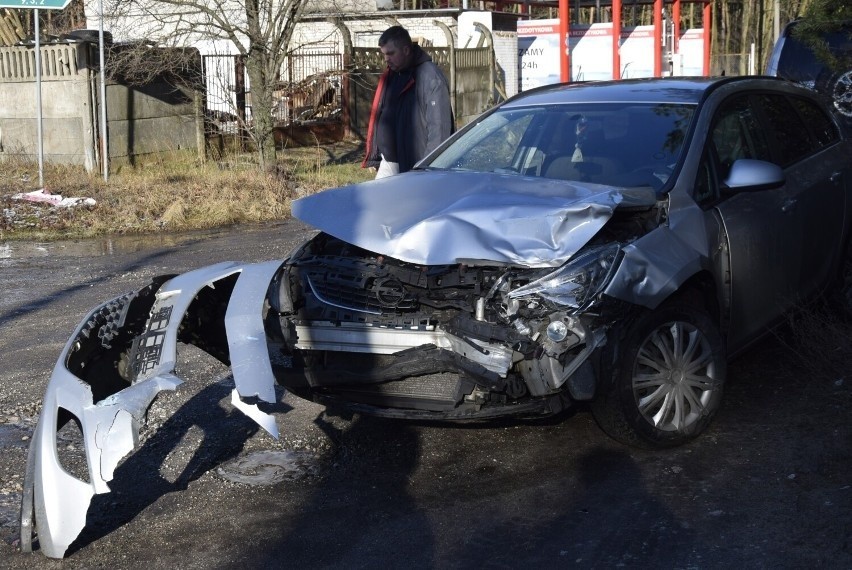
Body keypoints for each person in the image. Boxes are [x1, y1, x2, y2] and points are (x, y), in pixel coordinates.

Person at [362, 26, 454, 179]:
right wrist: (377, 155)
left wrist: (427, 168)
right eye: (384, 54)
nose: (386, 59)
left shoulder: (430, 77)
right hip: (390, 162)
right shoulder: (392, 75)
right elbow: (381, 115)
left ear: (406, 50)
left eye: (391, 53)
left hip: (416, 165)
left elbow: (439, 129)